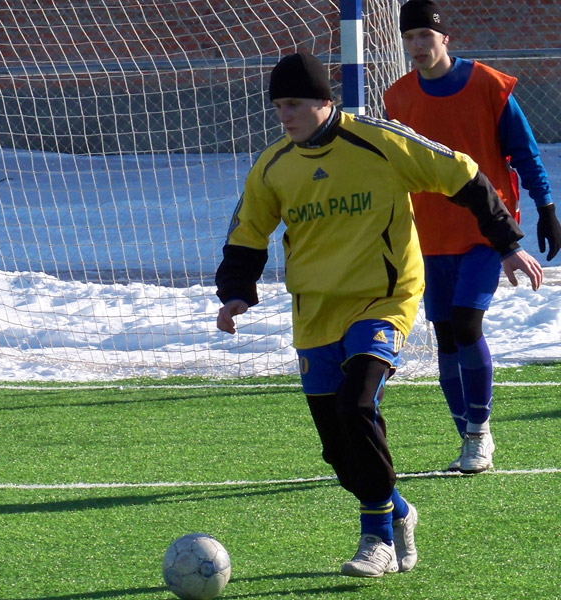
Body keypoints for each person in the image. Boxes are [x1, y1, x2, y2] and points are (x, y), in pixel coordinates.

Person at [215, 51, 542, 578]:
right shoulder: (274, 165)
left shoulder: (380, 140)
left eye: (295, 103)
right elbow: (247, 233)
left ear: (325, 101)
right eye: (278, 107)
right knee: (339, 454)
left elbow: (462, 174)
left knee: (356, 402)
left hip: (383, 300)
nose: (285, 115)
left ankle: (377, 540)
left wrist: (505, 242)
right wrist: (236, 292)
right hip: (316, 311)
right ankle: (399, 511)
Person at [383, 0, 561, 473]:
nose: (418, 46)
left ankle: (481, 434)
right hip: (429, 236)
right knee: (444, 337)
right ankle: (467, 434)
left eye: (426, 36)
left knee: (466, 323)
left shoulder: (488, 85)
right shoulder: (396, 98)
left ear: (446, 38)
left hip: (487, 232)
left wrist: (546, 209)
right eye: (410, 38)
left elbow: (525, 153)